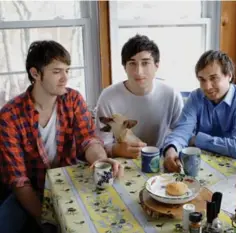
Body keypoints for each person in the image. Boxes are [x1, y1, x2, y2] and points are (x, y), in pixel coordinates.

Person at [0, 40, 123, 233]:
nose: (65, 78)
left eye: (67, 70)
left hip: (68, 184)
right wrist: (46, 219)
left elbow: (88, 139)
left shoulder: (73, 99)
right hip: (32, 191)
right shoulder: (9, 116)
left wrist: (101, 160)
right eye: (56, 72)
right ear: (35, 74)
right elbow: (18, 180)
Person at [96, 34, 184, 159]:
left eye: (145, 63)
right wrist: (117, 150)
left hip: (160, 159)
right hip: (122, 163)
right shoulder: (108, 97)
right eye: (132, 64)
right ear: (124, 67)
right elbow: (101, 143)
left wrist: (171, 149)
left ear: (156, 65)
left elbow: (181, 133)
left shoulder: (171, 94)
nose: (139, 72)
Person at [163, 50, 236, 172]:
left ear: (229, 76)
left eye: (213, 78)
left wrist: (196, 139)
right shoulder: (195, 97)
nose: (207, 87)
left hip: (234, 170)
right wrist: (171, 149)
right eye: (202, 80)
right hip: (200, 166)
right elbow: (183, 131)